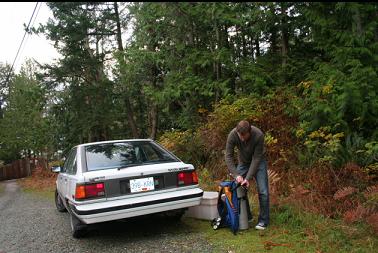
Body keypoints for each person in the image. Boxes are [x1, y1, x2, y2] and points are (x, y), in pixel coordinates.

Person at [225, 120, 269, 230]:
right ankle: (247, 216)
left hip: (259, 162)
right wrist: (236, 175)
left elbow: (256, 158)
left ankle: (263, 220)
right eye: (240, 135)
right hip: (243, 162)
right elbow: (228, 156)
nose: (242, 138)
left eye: (244, 135)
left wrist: (248, 178)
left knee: (263, 191)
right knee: (238, 187)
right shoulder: (233, 134)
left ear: (250, 131)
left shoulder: (258, 135)